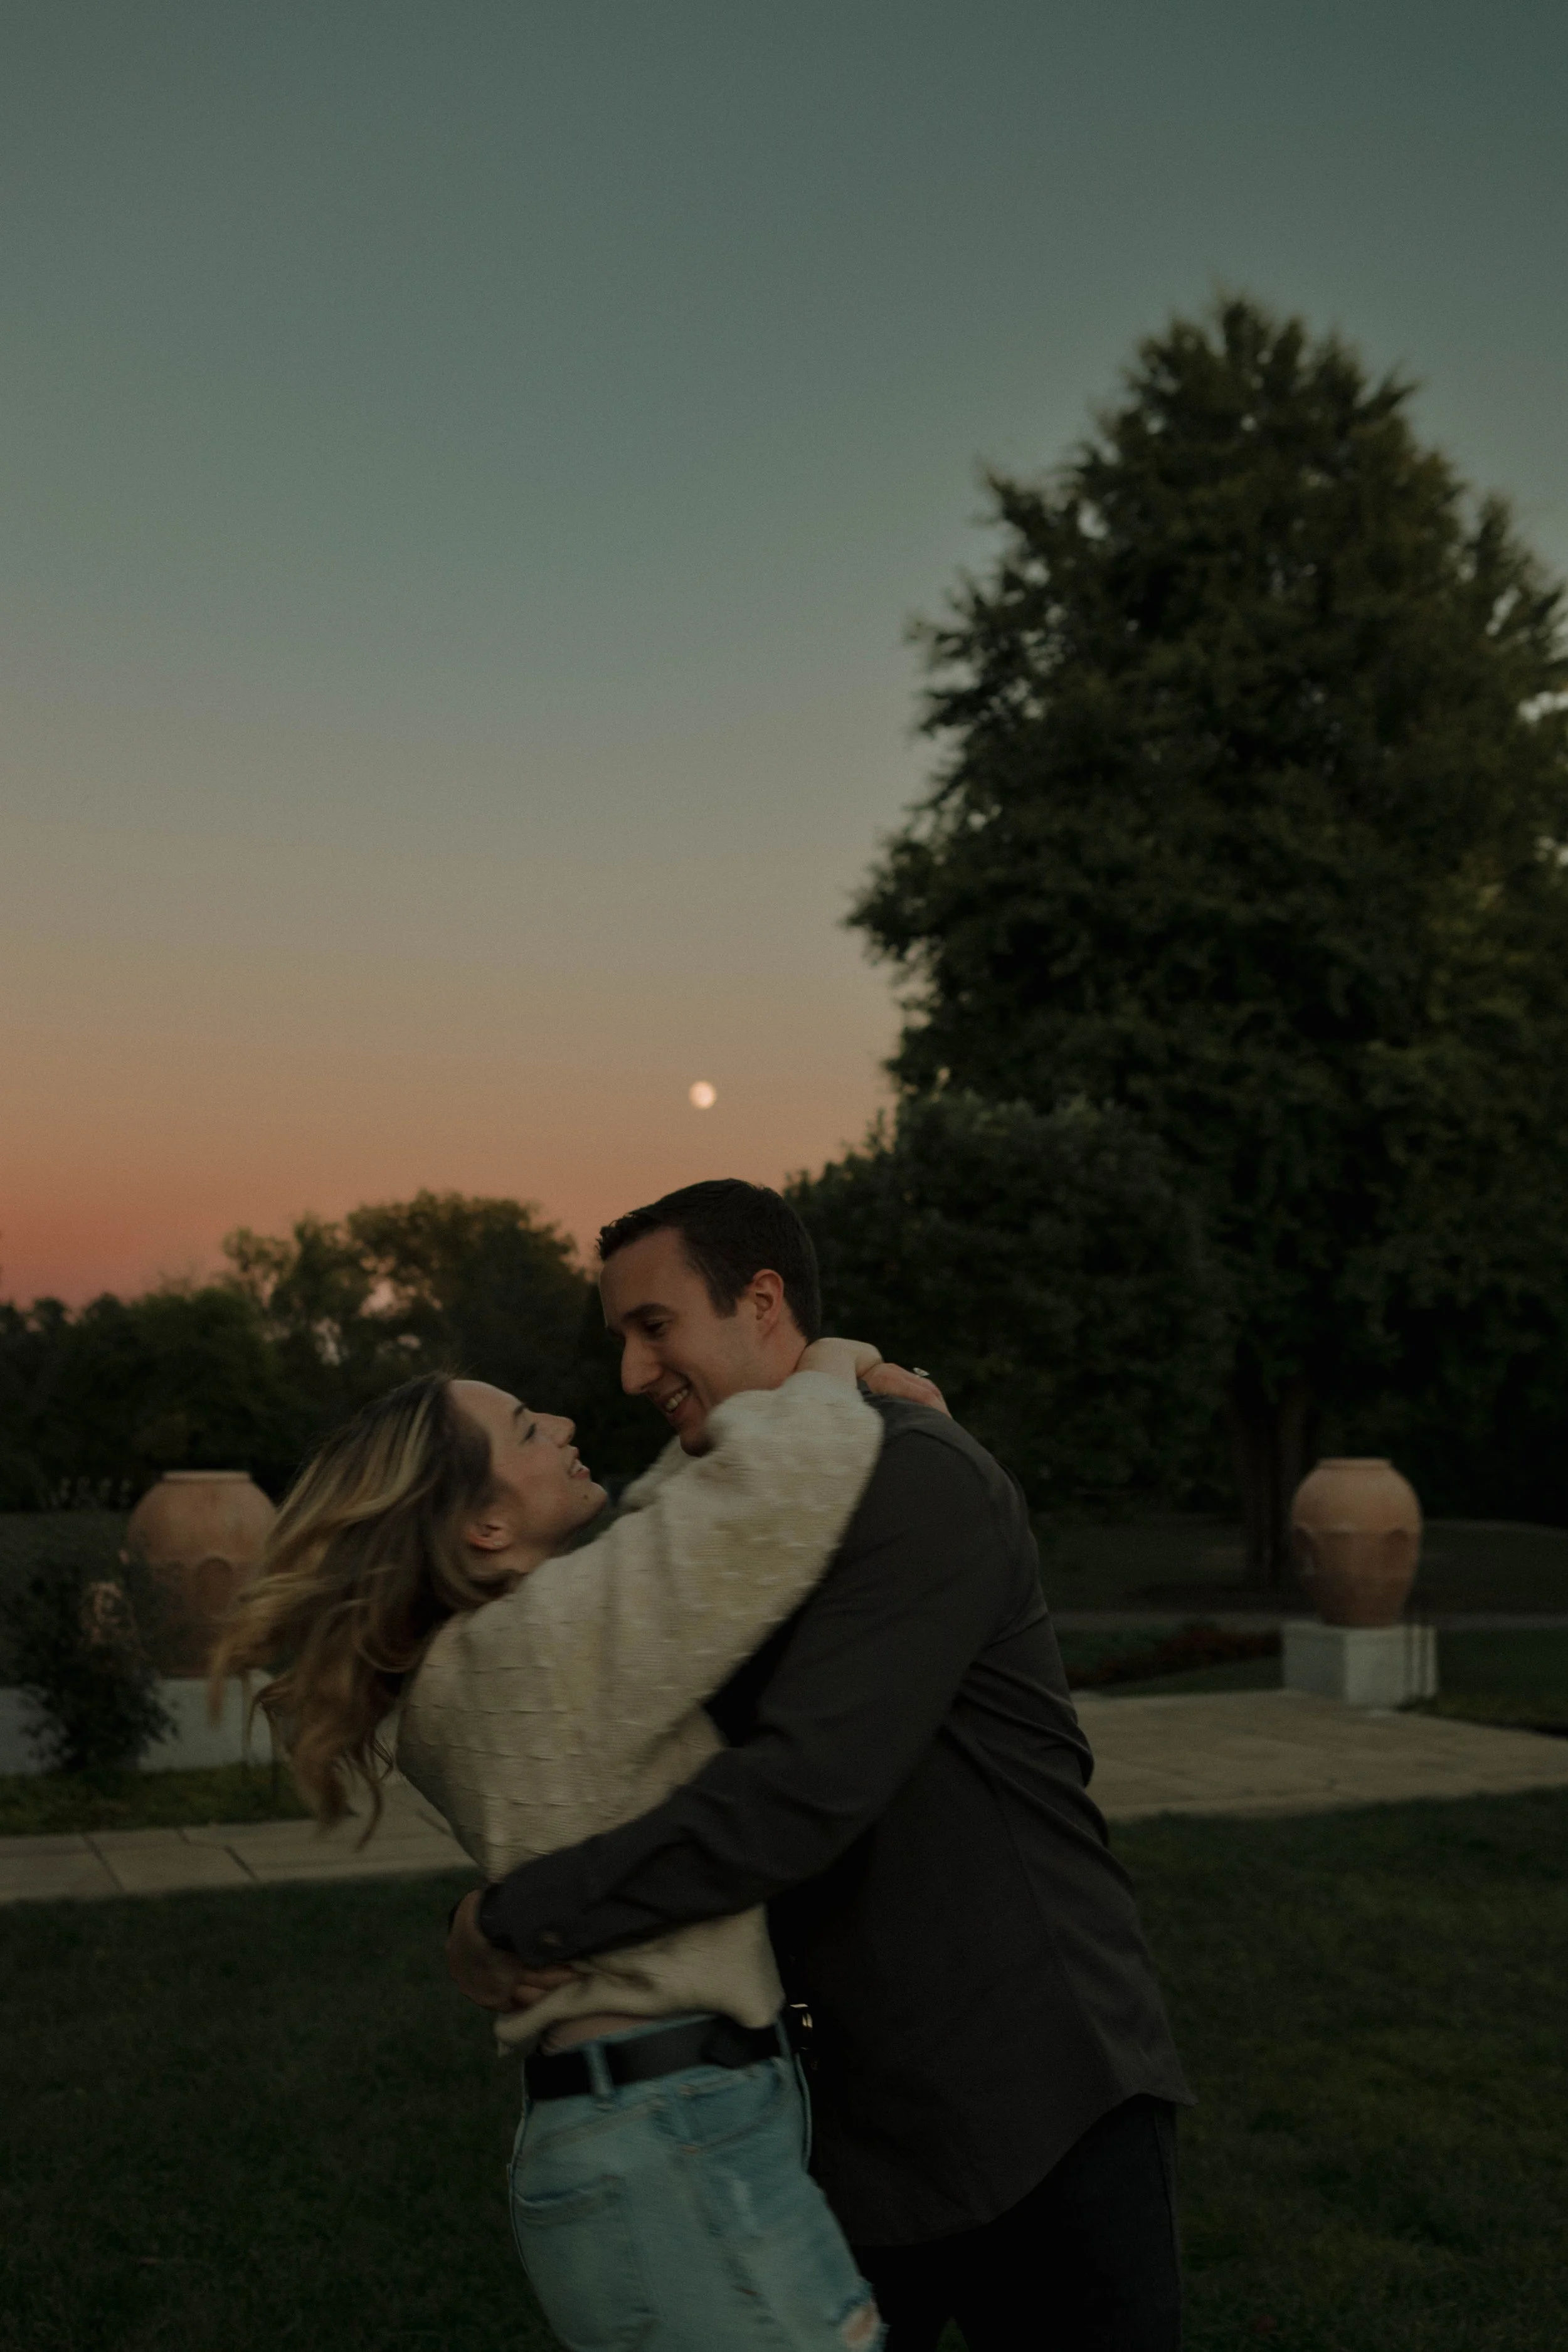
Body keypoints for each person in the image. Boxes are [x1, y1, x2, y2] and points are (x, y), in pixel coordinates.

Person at [448, 1180, 1194, 2352]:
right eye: (623, 1341)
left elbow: (803, 1791)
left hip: (1031, 2093)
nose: (635, 1373)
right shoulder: (709, 1507)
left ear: (760, 1300)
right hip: (834, 2117)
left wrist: (522, 1917)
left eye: (657, 1327)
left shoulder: (917, 1476)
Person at [212, 1321, 918, 2351]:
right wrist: (830, 1360)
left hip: (654, 2130)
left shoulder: (479, 1662)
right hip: (677, 2142)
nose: (569, 1423)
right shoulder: (541, 1649)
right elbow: (776, 1492)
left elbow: (668, 1515)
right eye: (529, 1427)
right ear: (486, 1524)